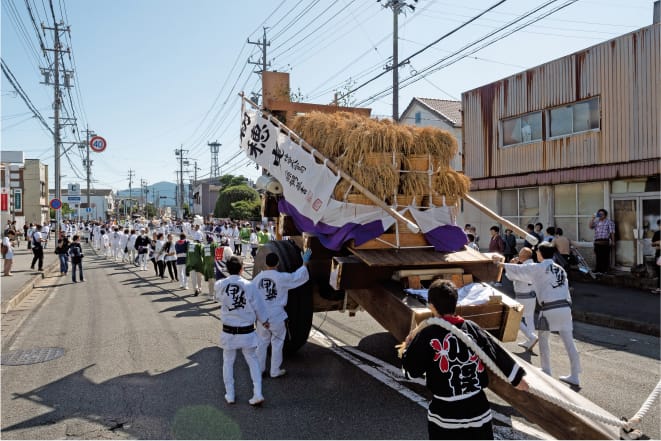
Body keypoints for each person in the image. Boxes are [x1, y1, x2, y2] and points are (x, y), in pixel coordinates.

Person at [400, 279, 528, 439]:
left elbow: (410, 373)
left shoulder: (427, 334)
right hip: (478, 409)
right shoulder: (471, 328)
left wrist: (408, 348)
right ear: (456, 302)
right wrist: (517, 378)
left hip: (445, 414)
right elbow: (495, 352)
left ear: (431, 305)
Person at [495, 242, 581, 386]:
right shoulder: (560, 268)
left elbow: (518, 269)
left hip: (549, 308)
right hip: (565, 308)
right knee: (569, 342)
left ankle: (546, 370)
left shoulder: (538, 267)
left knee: (543, 339)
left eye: (538, 252)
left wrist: (500, 264)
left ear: (540, 253)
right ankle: (575, 375)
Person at [214, 256, 270, 406]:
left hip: (228, 331)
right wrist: (264, 321)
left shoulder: (220, 284)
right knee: (252, 360)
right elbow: (259, 306)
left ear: (227, 269)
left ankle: (230, 394)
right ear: (241, 269)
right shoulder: (250, 286)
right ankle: (257, 393)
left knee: (228, 361)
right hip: (247, 331)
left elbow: (217, 297)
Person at [253, 249, 311, 378]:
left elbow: (251, 297)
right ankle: (275, 371)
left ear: (266, 264)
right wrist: (304, 263)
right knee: (277, 344)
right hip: (277, 316)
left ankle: (259, 369)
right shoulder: (281, 277)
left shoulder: (257, 279)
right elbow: (297, 277)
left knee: (262, 343)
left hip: (262, 317)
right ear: (278, 263)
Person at [504, 247, 538, 350]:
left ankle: (531, 337)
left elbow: (510, 277)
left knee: (514, 317)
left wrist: (511, 265)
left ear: (523, 256)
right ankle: (530, 341)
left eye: (520, 253)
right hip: (532, 296)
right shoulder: (534, 265)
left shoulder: (523, 267)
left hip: (522, 296)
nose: (518, 255)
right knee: (529, 318)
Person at [588, 208, 616, 274]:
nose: (600, 215)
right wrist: (593, 218)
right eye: (599, 214)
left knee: (605, 257)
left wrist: (613, 241)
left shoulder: (609, 222)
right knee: (598, 256)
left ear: (605, 215)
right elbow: (590, 226)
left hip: (605, 241)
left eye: (602, 214)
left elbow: (612, 232)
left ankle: (605, 270)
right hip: (597, 241)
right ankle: (598, 269)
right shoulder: (596, 222)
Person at [652, 219, 660, 294]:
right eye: (659, 225)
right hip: (659, 255)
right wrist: (657, 243)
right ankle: (658, 288)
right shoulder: (657, 233)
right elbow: (653, 244)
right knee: (659, 271)